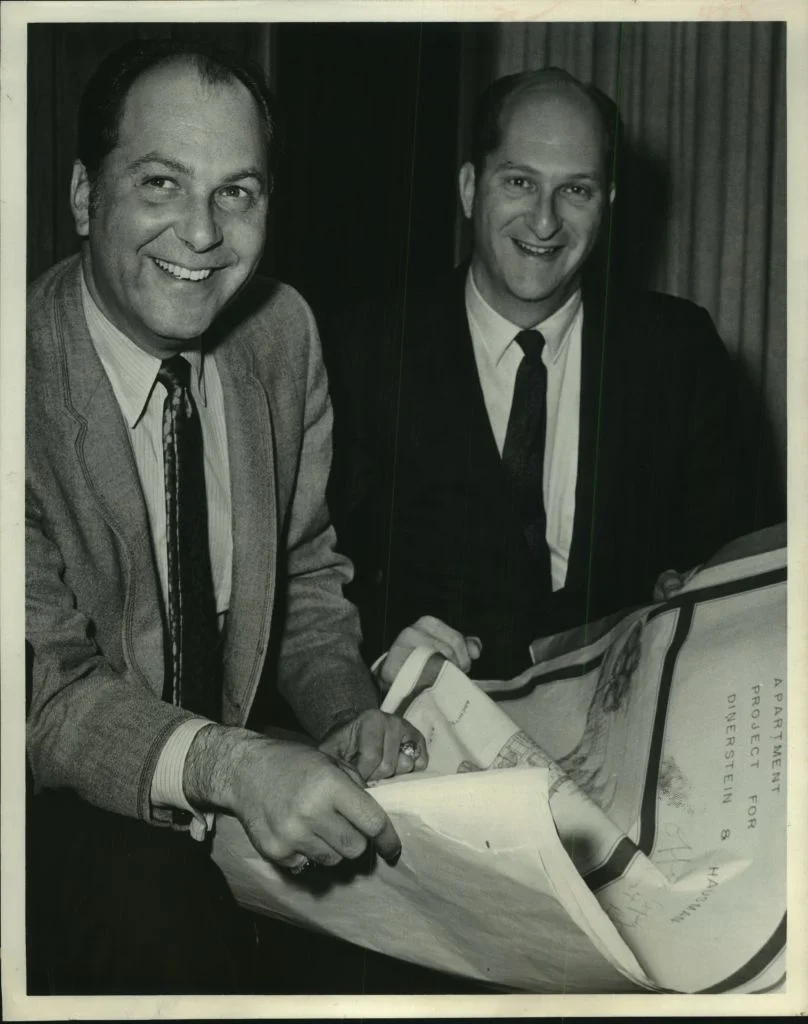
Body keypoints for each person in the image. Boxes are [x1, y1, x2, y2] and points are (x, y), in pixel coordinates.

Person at [25, 39, 427, 995]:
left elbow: (305, 574)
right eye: (162, 182)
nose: (203, 233)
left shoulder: (280, 332)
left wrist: (348, 713)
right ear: (86, 195)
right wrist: (235, 768)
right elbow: (39, 695)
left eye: (237, 191)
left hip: (225, 796)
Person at [326, 67, 747, 682]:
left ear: (606, 202)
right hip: (426, 731)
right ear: (471, 187)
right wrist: (385, 659)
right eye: (520, 182)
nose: (545, 222)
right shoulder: (360, 352)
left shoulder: (679, 350)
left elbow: (724, 563)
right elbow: (314, 587)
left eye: (575, 190)